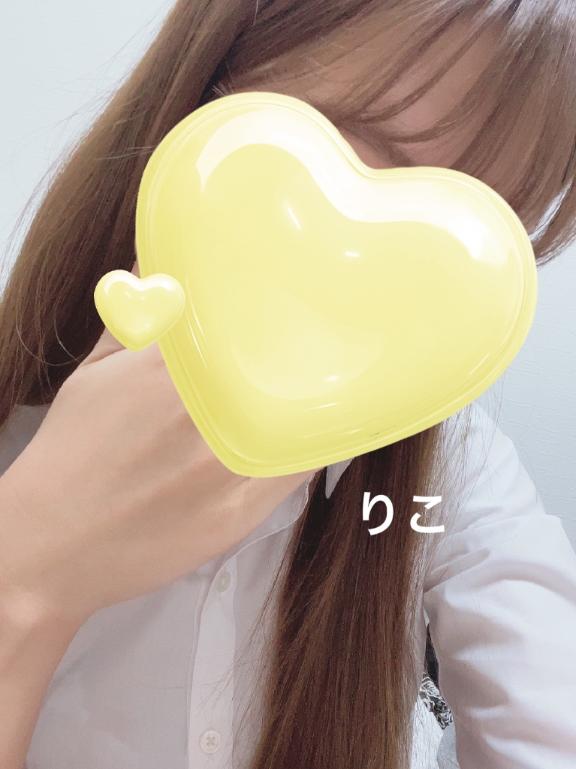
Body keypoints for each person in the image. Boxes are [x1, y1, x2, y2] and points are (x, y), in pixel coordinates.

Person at [1, 2, 575, 768]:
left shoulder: (444, 474)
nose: (381, 261)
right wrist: (27, 569)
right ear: (211, 80)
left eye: (466, 225)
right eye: (349, 139)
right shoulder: (18, 409)